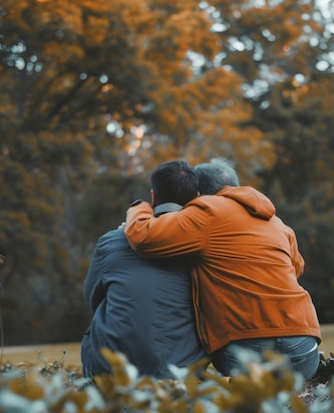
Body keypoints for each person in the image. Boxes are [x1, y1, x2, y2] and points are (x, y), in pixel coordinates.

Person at [125, 158, 322, 381]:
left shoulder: (207, 211)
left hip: (247, 344)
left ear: (197, 193)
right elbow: (296, 268)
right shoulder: (277, 222)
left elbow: (144, 237)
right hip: (304, 345)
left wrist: (140, 206)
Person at [81, 160, 206, 379]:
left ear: (153, 196)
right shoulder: (206, 247)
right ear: (197, 197)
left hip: (112, 370)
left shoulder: (110, 242)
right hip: (181, 372)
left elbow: (92, 298)